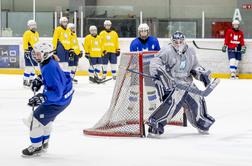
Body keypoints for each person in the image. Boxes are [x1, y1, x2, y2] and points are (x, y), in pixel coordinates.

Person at [147, 31, 215, 136]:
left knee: (198, 99)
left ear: (184, 41)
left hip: (187, 82)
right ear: (172, 42)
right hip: (174, 83)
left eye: (180, 41)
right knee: (173, 104)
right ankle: (155, 124)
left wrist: (201, 74)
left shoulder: (190, 51)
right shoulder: (167, 51)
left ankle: (201, 123)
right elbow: (155, 62)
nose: (178, 44)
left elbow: (195, 66)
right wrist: (158, 74)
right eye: (175, 41)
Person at [22, 42, 74, 156]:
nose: (35, 56)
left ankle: (37, 147)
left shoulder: (50, 67)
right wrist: (40, 79)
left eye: (38, 54)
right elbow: (56, 77)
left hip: (58, 100)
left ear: (46, 54)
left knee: (34, 120)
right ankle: (44, 143)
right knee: (45, 120)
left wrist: (43, 97)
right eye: (34, 54)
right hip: (62, 99)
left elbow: (57, 93)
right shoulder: (47, 62)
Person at [129, 23, 160, 111]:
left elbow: (158, 54)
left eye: (145, 31)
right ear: (139, 32)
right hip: (137, 67)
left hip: (149, 67)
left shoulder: (154, 41)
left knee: (150, 86)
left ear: (147, 31)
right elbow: (133, 56)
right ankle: (131, 104)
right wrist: (133, 67)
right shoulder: (134, 43)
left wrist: (157, 65)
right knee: (134, 86)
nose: (143, 33)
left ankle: (152, 103)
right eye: (141, 31)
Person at [22, 20, 39, 87]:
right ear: (29, 26)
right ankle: (25, 80)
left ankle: (31, 80)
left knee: (35, 67)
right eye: (32, 25)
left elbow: (37, 42)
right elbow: (25, 42)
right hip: (29, 51)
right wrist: (26, 50)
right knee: (28, 67)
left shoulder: (37, 33)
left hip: (35, 51)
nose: (33, 26)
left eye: (34, 25)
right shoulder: (27, 33)